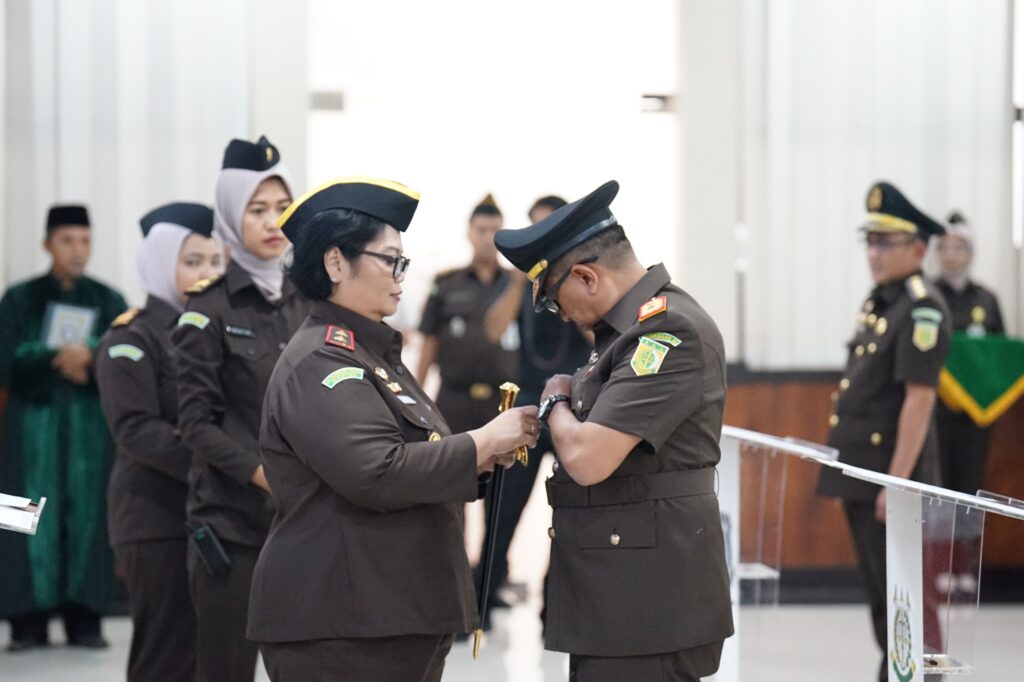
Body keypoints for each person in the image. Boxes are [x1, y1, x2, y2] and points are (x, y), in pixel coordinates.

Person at [246, 177, 539, 682]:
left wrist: (479, 460)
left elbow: (415, 450)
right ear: (336, 263)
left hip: (388, 612)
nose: (401, 275)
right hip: (342, 622)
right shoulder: (322, 358)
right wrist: (481, 441)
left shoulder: (369, 351)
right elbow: (376, 471)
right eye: (390, 260)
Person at [494, 180, 734, 682]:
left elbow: (587, 457)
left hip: (648, 605)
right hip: (620, 596)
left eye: (555, 301)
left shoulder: (667, 332)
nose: (560, 316)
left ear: (586, 277)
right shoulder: (624, 333)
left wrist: (556, 397)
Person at [171, 136, 306, 682]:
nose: (274, 222)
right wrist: (263, 474)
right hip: (232, 527)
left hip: (302, 522)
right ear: (230, 215)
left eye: (282, 207)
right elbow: (196, 424)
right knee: (226, 669)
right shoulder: (208, 309)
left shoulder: (309, 300)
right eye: (257, 210)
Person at [816, 181, 951, 682]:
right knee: (883, 597)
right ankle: (895, 672)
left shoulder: (921, 308)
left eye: (885, 242)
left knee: (910, 598)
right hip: (864, 474)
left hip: (892, 478)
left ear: (918, 248)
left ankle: (920, 676)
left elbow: (918, 401)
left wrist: (895, 483)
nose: (874, 253)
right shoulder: (881, 302)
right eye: (869, 241)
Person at [95, 202, 224, 682]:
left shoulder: (214, 332)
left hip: (213, 514)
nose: (207, 273)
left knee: (209, 652)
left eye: (215, 262)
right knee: (166, 654)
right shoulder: (132, 337)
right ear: (158, 263)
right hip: (155, 518)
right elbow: (137, 431)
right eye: (192, 261)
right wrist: (224, 460)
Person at [0, 204, 127, 650]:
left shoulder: (109, 301)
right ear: (47, 243)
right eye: (68, 240)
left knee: (88, 516)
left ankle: (85, 619)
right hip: (28, 434)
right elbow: (7, 363)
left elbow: (124, 359)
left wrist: (91, 357)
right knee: (19, 516)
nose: (78, 250)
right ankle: (24, 621)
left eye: (85, 241)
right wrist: (58, 356)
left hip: (89, 438)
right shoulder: (18, 299)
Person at [479, 194, 592, 624]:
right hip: (527, 405)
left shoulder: (581, 282)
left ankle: (555, 609)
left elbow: (595, 339)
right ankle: (481, 602)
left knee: (569, 516)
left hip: (574, 409)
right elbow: (492, 331)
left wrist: (565, 283)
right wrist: (516, 281)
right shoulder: (521, 286)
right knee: (502, 509)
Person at [416, 194, 519, 434]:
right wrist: (417, 399)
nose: (487, 239)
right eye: (481, 230)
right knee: (452, 466)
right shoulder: (446, 284)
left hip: (503, 400)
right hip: (454, 399)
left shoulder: (515, 285)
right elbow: (429, 344)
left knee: (502, 470)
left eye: (495, 231)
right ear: (469, 233)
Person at [933, 210, 1004, 496]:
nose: (951, 254)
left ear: (971, 251)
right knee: (937, 487)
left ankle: (967, 543)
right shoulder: (928, 296)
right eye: (944, 247)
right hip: (935, 411)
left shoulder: (987, 300)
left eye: (958, 247)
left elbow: (999, 355)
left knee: (969, 487)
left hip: (975, 415)